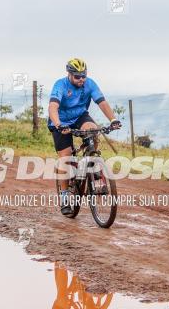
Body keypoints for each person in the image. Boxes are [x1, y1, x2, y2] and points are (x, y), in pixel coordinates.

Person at [48, 58, 121, 216]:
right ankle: (65, 195)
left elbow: (102, 102)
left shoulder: (90, 84)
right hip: (61, 121)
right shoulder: (60, 85)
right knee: (65, 157)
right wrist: (58, 124)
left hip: (80, 117)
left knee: (94, 130)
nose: (81, 79)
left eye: (84, 76)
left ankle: (95, 171)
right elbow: (53, 107)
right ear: (69, 74)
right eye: (77, 76)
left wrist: (113, 119)